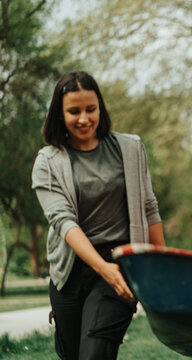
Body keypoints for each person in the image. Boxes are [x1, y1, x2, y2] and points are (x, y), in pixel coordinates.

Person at [31, 71, 166, 360]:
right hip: (70, 269)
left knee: (94, 353)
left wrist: (160, 269)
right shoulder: (48, 162)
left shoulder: (130, 149)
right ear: (59, 113)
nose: (84, 119)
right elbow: (63, 222)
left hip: (120, 265)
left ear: (100, 108)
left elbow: (149, 207)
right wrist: (100, 267)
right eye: (74, 111)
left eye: (91, 109)